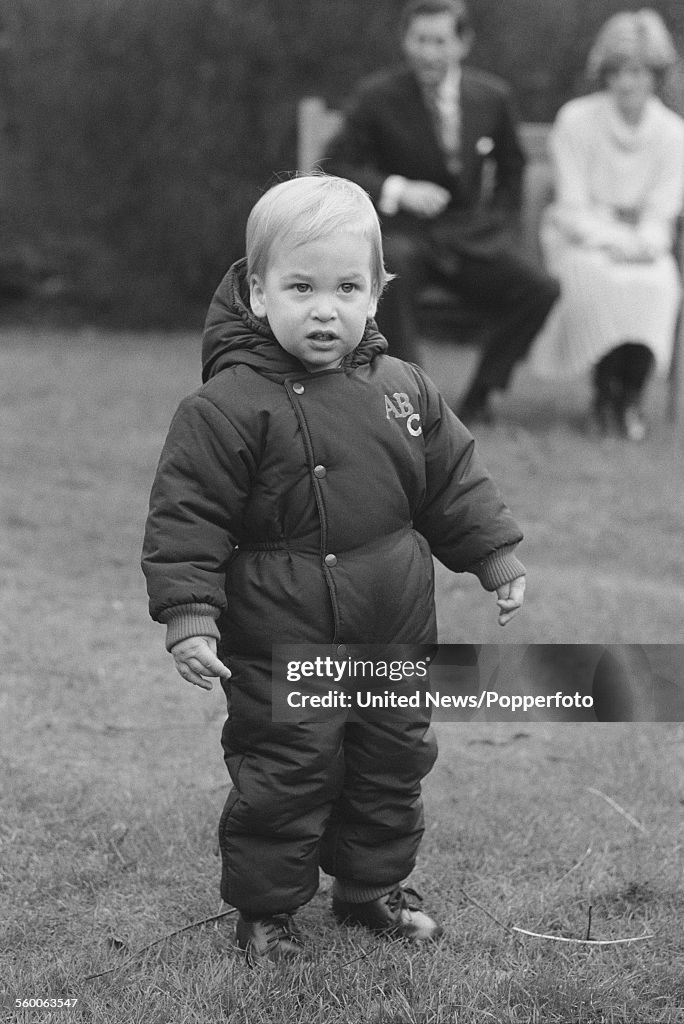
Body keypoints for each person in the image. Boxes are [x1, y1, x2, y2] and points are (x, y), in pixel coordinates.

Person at [142, 174, 526, 964]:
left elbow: (453, 481)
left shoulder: (403, 390)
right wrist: (189, 614)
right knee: (287, 767)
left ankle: (368, 890)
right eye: (302, 287)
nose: (326, 308)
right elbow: (188, 517)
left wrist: (494, 556)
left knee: (391, 759)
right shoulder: (224, 408)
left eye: (347, 287)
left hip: (392, 625)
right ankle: (267, 911)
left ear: (377, 295)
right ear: (257, 291)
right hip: (283, 633)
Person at [321, 0, 560, 424]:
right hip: (406, 236)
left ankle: (482, 394)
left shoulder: (493, 97)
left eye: (440, 41)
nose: (429, 52)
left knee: (539, 288)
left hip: (470, 239)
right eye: (421, 40)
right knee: (388, 272)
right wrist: (399, 189)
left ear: (462, 44)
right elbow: (335, 164)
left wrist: (497, 226)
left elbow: (513, 171)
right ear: (405, 42)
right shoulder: (377, 97)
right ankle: (413, 397)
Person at [530, 10, 684, 441]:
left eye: (636, 72)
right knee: (600, 279)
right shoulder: (576, 119)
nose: (626, 83)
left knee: (657, 284)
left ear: (654, 74)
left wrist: (642, 245)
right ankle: (604, 393)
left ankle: (629, 396)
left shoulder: (673, 133)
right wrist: (612, 241)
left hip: (645, 245)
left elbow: (664, 211)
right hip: (579, 238)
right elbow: (571, 205)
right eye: (616, 71)